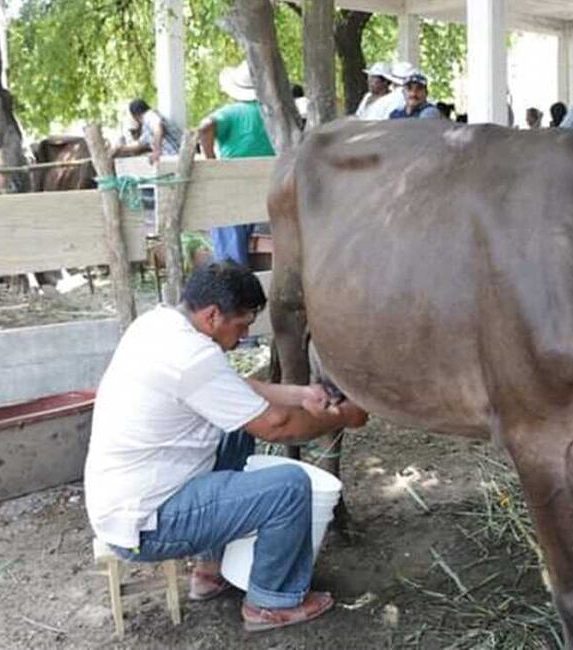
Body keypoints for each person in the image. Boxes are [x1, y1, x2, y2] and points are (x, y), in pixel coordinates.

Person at [84, 261, 368, 632]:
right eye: (243, 324)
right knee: (289, 488)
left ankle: (209, 569)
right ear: (213, 315)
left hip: (129, 499)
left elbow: (233, 388)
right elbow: (277, 427)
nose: (246, 333)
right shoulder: (192, 357)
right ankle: (269, 602)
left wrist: (302, 393)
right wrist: (343, 416)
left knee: (234, 431)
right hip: (147, 525)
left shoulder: (160, 325)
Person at [198, 62, 276, 267]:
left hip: (233, 183)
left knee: (229, 249)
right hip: (267, 183)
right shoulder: (272, 113)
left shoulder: (230, 112)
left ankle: (233, 289)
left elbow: (204, 127)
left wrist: (210, 159)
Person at [115, 99, 182, 165]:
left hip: (176, 157)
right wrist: (120, 148)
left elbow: (157, 128)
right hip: (172, 160)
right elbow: (139, 145)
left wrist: (156, 151)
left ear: (135, 116)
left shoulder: (149, 115)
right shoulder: (147, 129)